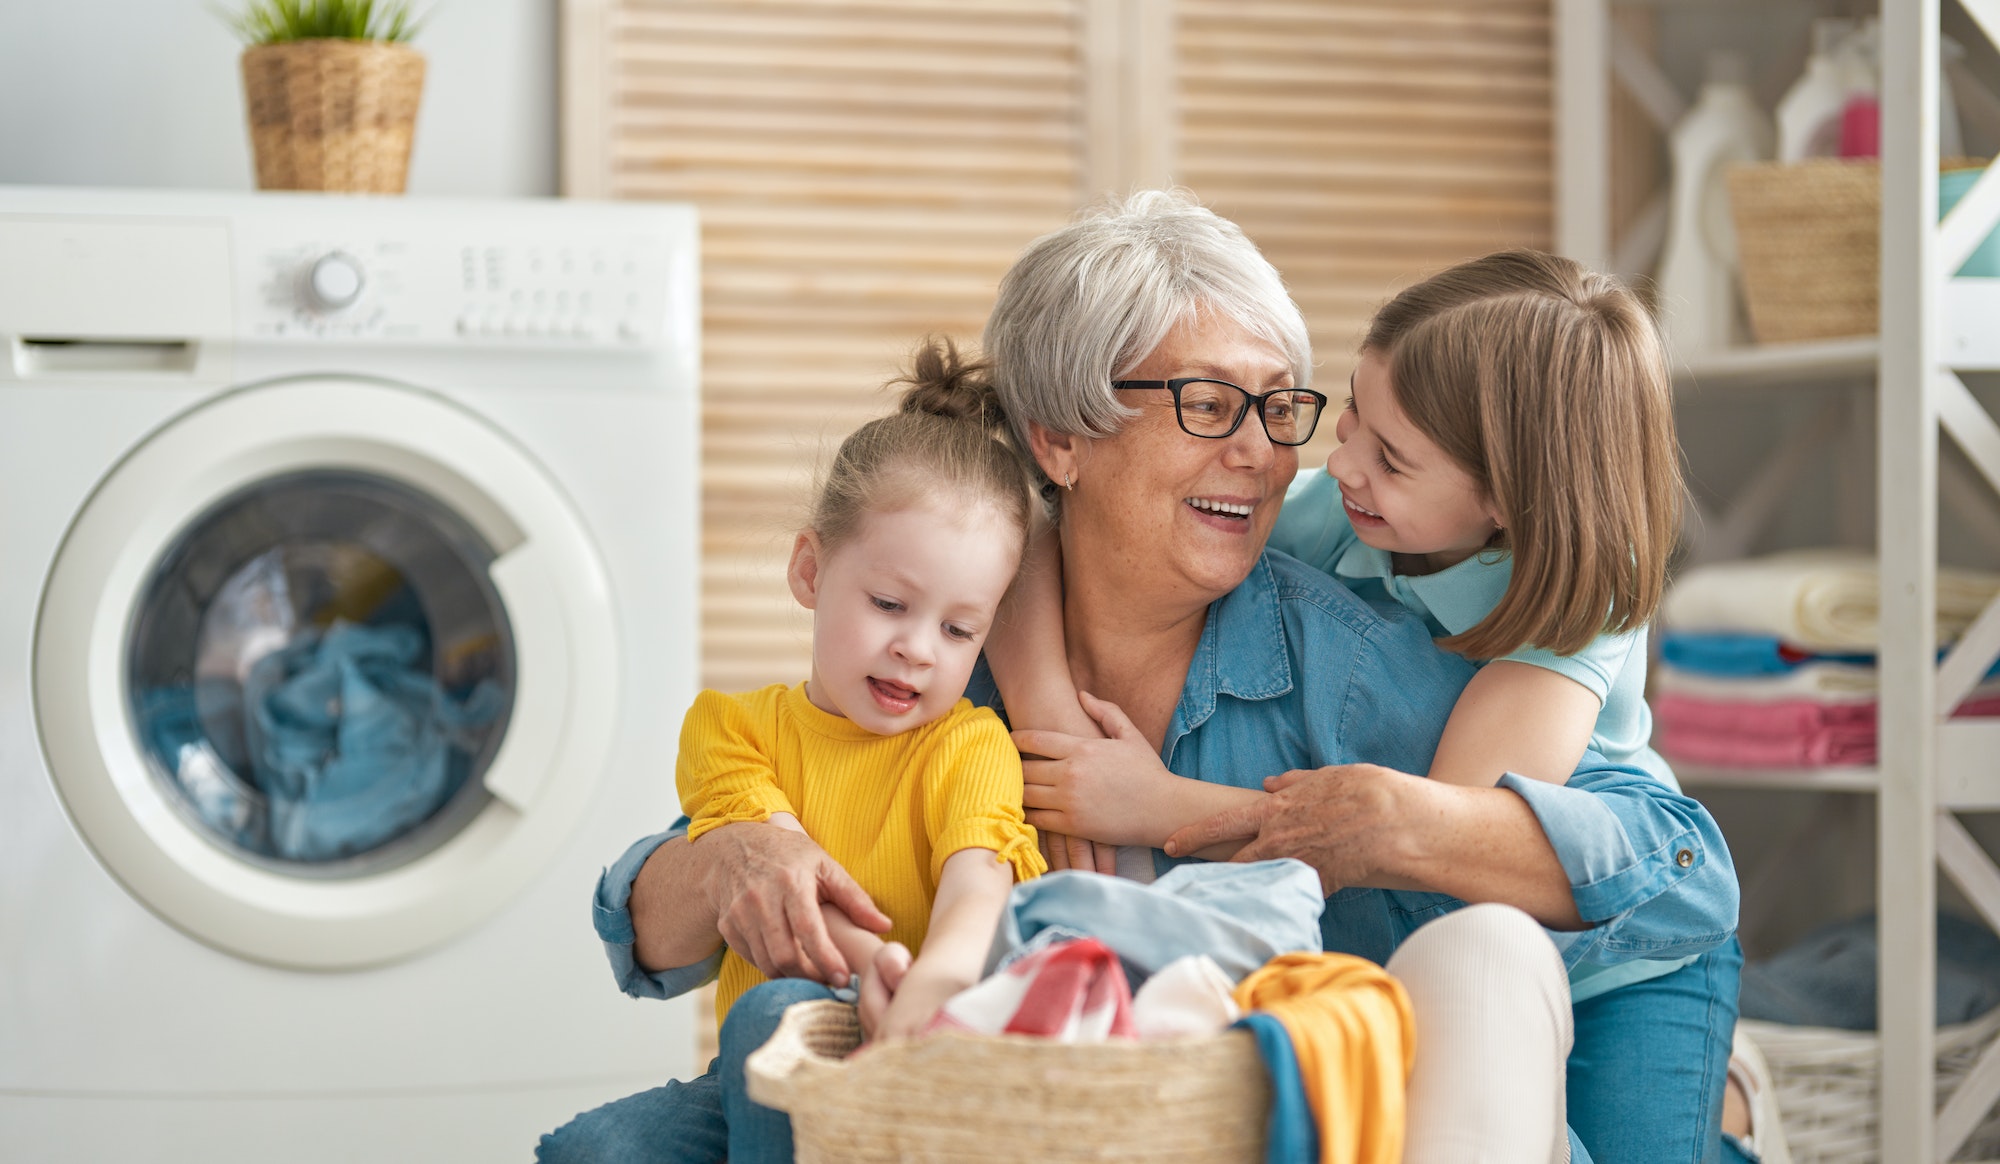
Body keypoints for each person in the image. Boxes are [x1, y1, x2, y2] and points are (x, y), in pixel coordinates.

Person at [588, 191, 1738, 1164]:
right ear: (1058, 440)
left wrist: (1360, 818)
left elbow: (1681, 867)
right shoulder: (936, 640)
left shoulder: (1366, 646)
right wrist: (733, 858)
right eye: (1204, 404)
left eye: (1278, 404)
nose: (1270, 452)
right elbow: (649, 926)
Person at [997, 243, 1740, 1162]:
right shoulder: (1328, 512)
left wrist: (1161, 806)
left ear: (1502, 502)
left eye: (1388, 456)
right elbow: (1021, 516)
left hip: (1624, 955)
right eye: (1347, 413)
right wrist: (1045, 703)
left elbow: (1426, 833)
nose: (1320, 462)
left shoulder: (1583, 602)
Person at [537, 343, 1047, 1164]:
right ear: (809, 570)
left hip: (914, 1046)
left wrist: (932, 992)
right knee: (590, 1147)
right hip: (765, 1067)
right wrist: (879, 964)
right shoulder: (731, 729)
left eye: (959, 629)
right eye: (890, 604)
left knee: (767, 1009)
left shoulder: (968, 744)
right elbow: (799, 892)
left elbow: (976, 893)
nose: (918, 649)